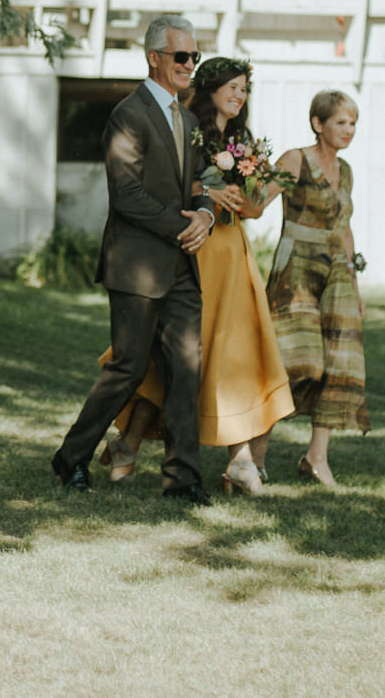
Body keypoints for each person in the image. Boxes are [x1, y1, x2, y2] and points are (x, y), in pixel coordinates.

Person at [98, 57, 293, 496]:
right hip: (196, 251)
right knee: (175, 357)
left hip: (232, 254)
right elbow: (168, 186)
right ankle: (130, 443)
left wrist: (268, 183)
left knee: (230, 351)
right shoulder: (188, 130)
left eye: (245, 89)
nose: (240, 96)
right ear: (211, 88)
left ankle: (234, 458)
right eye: (233, 87)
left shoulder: (242, 141)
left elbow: (254, 208)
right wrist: (207, 192)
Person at [51, 14, 217, 505]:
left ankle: (183, 479)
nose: (190, 65)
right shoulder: (129, 113)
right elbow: (126, 194)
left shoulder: (187, 119)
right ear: (154, 58)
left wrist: (206, 215)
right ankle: (71, 457)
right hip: (136, 266)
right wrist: (183, 225)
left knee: (188, 370)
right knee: (126, 369)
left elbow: (200, 183)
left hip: (181, 269)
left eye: (194, 56)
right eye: (181, 56)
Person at [264, 89, 370, 488]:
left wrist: (355, 286)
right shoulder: (296, 159)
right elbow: (260, 199)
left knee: (339, 365)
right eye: (341, 122)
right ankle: (251, 457)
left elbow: (344, 228)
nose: (349, 130)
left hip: (337, 277)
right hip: (297, 273)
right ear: (318, 124)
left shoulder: (347, 170)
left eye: (353, 123)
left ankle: (316, 457)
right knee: (294, 363)